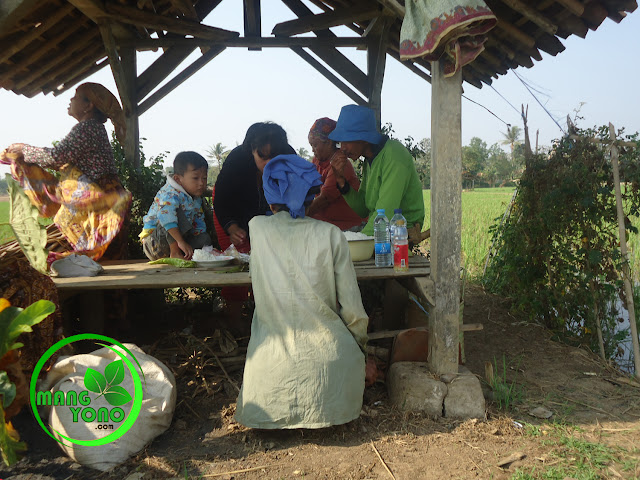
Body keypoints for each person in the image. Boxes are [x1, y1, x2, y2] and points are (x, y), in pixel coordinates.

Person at [235, 154, 368, 429]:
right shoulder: (331, 234)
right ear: (312, 195)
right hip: (330, 374)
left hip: (268, 380)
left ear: (270, 197)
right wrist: (360, 350)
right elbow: (354, 312)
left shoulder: (257, 228)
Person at [1, 82, 131, 261]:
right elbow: (60, 160)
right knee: (105, 263)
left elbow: (56, 156)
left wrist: (24, 149)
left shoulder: (87, 128)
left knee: (94, 262)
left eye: (76, 96)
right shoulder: (93, 128)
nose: (70, 99)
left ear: (88, 106)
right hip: (103, 203)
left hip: (100, 204)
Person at [328, 105, 425, 237]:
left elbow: (386, 212)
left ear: (364, 138)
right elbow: (363, 208)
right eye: (341, 142)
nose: (343, 148)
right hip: (381, 230)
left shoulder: (393, 155)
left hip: (400, 234)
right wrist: (341, 181)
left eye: (347, 141)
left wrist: (358, 241)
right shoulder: (369, 160)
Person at [212, 122, 294, 254]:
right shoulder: (237, 160)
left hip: (272, 214)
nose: (269, 163)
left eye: (275, 157)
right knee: (237, 256)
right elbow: (222, 201)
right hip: (232, 207)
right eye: (262, 157)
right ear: (252, 151)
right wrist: (232, 228)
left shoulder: (290, 159)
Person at [140, 151, 211, 260]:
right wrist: (180, 242)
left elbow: (199, 224)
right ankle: (175, 252)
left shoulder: (196, 198)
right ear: (178, 179)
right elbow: (165, 218)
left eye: (204, 178)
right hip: (155, 243)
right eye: (195, 178)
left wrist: (206, 249)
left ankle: (189, 254)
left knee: (204, 238)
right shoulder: (170, 194)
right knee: (170, 214)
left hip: (181, 241)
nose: (201, 183)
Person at [306, 117, 366, 230]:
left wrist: (300, 214)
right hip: (328, 224)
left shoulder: (341, 164)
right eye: (311, 146)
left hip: (349, 226)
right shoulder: (316, 161)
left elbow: (324, 199)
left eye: (315, 145)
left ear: (328, 143)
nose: (313, 150)